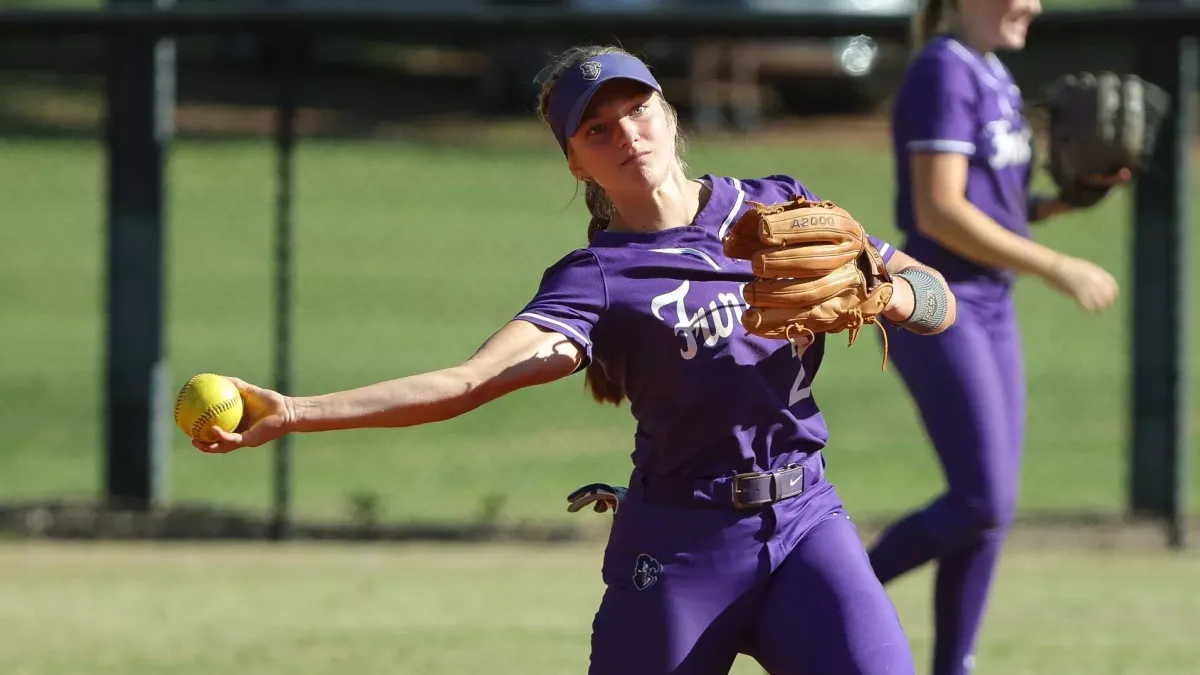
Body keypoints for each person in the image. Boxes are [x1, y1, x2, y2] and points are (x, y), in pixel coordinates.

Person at [191, 45, 959, 675]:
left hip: (804, 524)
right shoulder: (596, 279)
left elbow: (938, 296)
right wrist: (291, 412)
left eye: (638, 109)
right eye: (597, 129)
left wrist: (887, 295)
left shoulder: (777, 208)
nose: (627, 133)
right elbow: (467, 382)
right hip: (680, 547)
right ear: (576, 165)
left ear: (669, 112)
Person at [864, 1, 1129, 674]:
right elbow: (940, 210)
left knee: (990, 509)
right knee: (982, 496)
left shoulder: (993, 76)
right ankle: (822, 595)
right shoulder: (941, 74)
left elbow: (991, 204)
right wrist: (1057, 265)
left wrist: (1062, 203)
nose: (1033, 5)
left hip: (989, 301)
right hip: (935, 300)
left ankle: (955, 664)